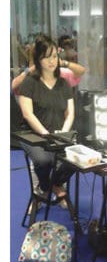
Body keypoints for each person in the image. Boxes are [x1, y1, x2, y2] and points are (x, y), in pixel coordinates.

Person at [18, 34, 76, 201]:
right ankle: (45, 187)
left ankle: (53, 185)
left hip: (58, 133)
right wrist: (46, 135)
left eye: (54, 56)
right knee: (44, 160)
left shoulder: (63, 83)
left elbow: (70, 112)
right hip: (33, 134)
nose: (51, 61)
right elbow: (27, 114)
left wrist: (63, 135)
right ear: (38, 60)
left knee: (77, 158)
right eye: (46, 57)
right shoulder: (29, 83)